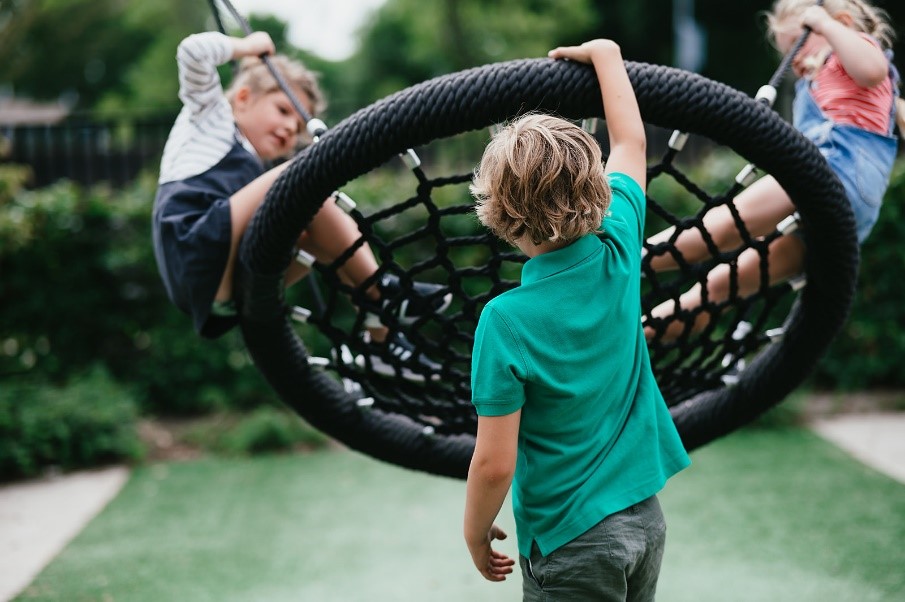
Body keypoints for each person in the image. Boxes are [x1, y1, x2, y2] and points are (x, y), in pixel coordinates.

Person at [463, 40, 691, 601]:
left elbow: (494, 461)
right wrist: (607, 56)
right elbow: (632, 140)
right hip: (644, 520)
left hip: (570, 540)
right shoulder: (618, 245)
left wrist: (473, 532)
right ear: (594, 187)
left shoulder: (504, 321)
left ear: (499, 213)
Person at [152, 31, 449, 379]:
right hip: (191, 243)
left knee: (310, 233)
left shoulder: (251, 168)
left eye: (297, 126)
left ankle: (379, 340)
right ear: (244, 97)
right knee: (304, 181)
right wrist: (248, 48)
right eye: (282, 110)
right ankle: (382, 291)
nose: (289, 128)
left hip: (223, 291)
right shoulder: (211, 117)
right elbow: (192, 51)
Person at [645, 0, 901, 341]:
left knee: (718, 227)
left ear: (840, 22)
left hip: (830, 173)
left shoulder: (857, 55)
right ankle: (637, 334)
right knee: (720, 286)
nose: (794, 62)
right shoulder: (853, 88)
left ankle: (627, 257)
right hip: (848, 220)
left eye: (797, 45)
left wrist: (824, 24)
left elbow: (873, 68)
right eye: (787, 56)